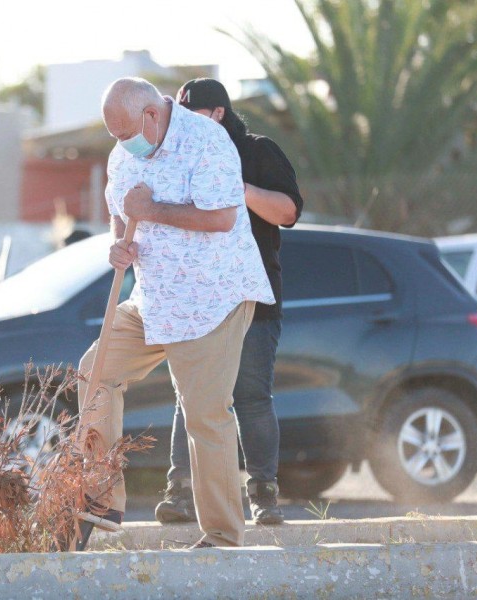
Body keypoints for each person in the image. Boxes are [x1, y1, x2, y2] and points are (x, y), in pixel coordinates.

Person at [73, 77, 275, 550]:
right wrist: (119, 244)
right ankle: (102, 500)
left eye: (126, 133)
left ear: (150, 115)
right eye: (114, 137)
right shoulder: (123, 152)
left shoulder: (207, 141)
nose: (122, 145)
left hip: (212, 300)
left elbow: (222, 217)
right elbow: (121, 213)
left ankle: (223, 537)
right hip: (153, 300)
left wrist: (153, 210)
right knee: (95, 371)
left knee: (206, 415)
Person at [155, 78, 303, 526]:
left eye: (192, 115)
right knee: (192, 398)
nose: (181, 126)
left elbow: (289, 213)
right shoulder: (181, 155)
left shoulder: (259, 151)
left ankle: (264, 496)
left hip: (251, 296)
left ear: (218, 113)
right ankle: (180, 493)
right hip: (199, 300)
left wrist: (237, 188)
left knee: (251, 396)